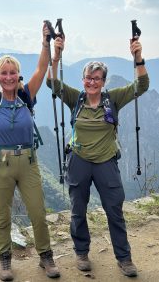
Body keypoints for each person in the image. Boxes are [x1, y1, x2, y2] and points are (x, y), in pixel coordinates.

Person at [47, 36, 149, 277]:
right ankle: (81, 252)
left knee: (114, 209)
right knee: (77, 209)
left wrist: (137, 57)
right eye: (88, 78)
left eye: (97, 78)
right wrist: (56, 55)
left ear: (103, 82)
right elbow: (52, 82)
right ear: (83, 80)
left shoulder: (113, 99)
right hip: (79, 160)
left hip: (106, 162)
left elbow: (141, 86)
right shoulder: (76, 99)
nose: (92, 82)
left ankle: (124, 258)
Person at [0, 20, 60, 281]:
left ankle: (46, 257)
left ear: (18, 75)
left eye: (13, 73)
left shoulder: (26, 96)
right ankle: (5, 261)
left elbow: (43, 68)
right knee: (2, 216)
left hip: (28, 163)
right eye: (4, 73)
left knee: (38, 213)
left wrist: (45, 42)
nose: (8, 77)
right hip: (0, 164)